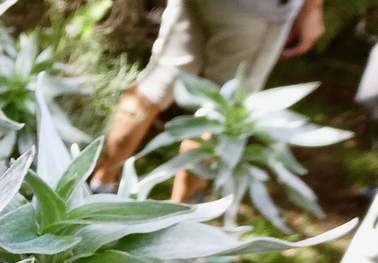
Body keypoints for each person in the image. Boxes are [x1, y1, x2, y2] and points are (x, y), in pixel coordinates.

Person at [90, 0, 326, 200]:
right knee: (223, 112)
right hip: (257, 9)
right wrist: (313, 9)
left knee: (157, 83)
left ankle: (98, 189)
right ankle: (178, 225)